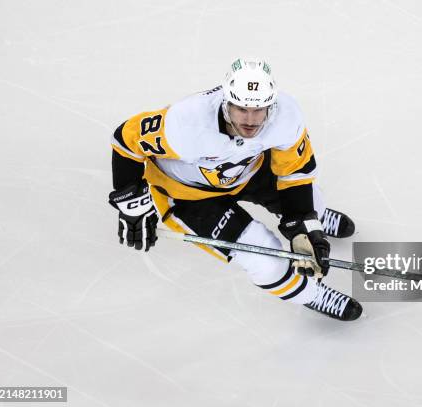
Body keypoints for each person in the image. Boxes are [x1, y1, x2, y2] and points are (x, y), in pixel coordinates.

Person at [108, 58, 362, 321]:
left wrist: (303, 222)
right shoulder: (186, 123)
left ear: (272, 105)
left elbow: (294, 172)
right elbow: (126, 141)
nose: (251, 120)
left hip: (248, 170)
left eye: (259, 109)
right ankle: (312, 295)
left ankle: (317, 218)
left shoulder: (285, 116)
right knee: (264, 260)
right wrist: (132, 206)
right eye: (241, 108)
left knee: (314, 205)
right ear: (225, 101)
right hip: (189, 196)